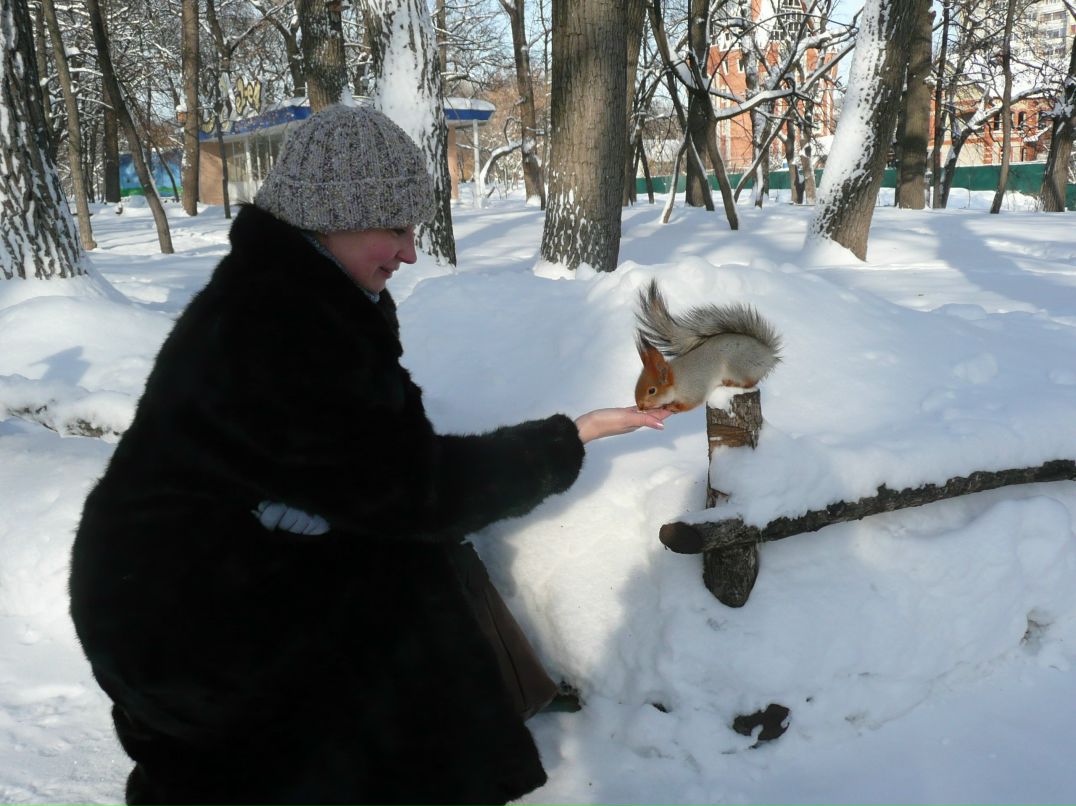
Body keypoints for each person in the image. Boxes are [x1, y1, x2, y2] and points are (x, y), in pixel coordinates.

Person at [69, 102, 670, 806]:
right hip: (187, 628)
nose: (410, 253)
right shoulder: (288, 324)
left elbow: (368, 470)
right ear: (334, 216)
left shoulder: (286, 295)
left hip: (172, 598)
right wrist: (571, 438)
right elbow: (416, 493)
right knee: (388, 651)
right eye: (397, 228)